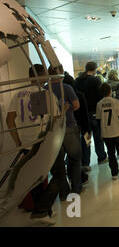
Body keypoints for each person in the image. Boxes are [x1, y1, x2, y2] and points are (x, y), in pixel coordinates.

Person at [5, 64, 61, 225]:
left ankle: (44, 210)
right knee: (56, 176)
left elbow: (10, 120)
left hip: (27, 142)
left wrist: (18, 141)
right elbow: (52, 119)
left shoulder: (18, 95)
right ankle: (41, 211)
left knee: (36, 177)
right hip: (41, 142)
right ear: (41, 76)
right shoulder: (43, 94)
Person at [47, 66, 83, 196]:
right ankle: (76, 188)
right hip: (68, 126)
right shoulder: (66, 88)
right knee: (74, 158)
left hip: (52, 130)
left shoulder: (45, 89)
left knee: (58, 163)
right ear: (60, 73)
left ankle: (63, 192)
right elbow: (76, 105)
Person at [96, 83, 119, 180]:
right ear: (110, 91)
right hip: (117, 131)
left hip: (106, 133)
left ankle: (114, 174)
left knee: (111, 153)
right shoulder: (115, 102)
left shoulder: (99, 104)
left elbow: (98, 120)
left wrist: (100, 133)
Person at [75, 61, 108, 165]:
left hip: (83, 114)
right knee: (98, 136)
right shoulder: (96, 80)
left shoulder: (78, 81)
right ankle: (101, 157)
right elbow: (100, 96)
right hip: (94, 112)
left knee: (86, 138)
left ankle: (85, 162)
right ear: (94, 69)